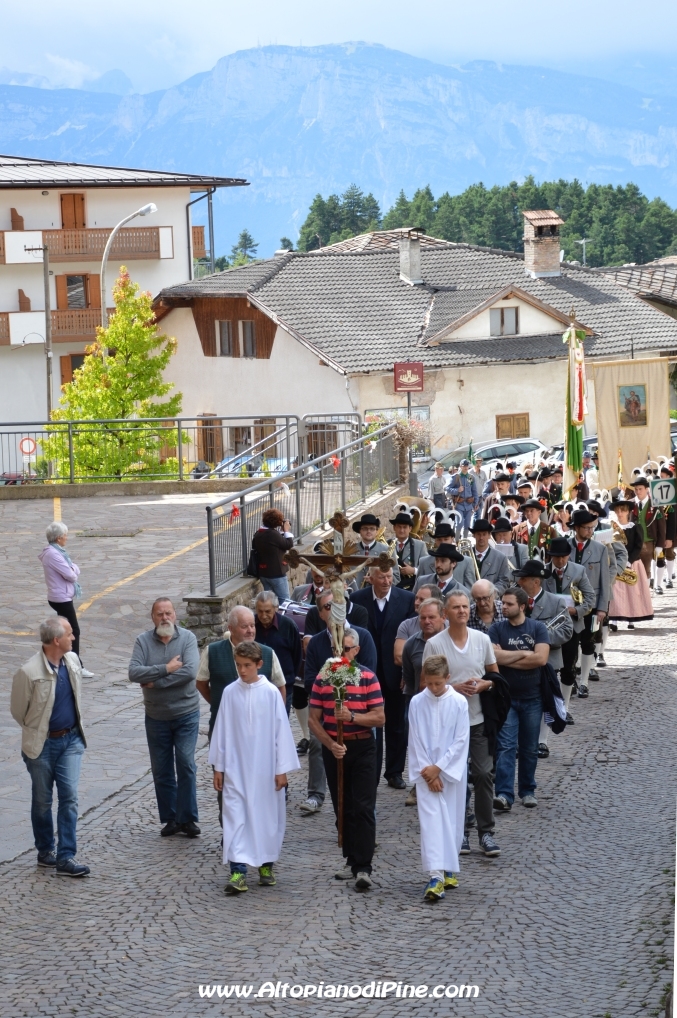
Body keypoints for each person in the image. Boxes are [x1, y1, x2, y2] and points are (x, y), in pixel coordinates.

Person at [209, 641, 299, 894]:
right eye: (238, 665)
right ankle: (238, 871)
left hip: (265, 769)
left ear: (259, 665)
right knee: (234, 817)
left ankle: (265, 865)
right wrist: (219, 766)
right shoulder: (229, 692)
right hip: (236, 768)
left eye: (247, 666)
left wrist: (281, 769)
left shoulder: (270, 693)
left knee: (265, 818)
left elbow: (281, 732)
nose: (242, 670)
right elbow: (222, 730)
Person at [424, 591, 501, 856]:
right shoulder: (435, 644)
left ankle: (486, 831)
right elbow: (427, 683)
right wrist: (453, 687)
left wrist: (485, 684)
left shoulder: (482, 639)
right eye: (456, 607)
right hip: (447, 722)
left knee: (482, 773)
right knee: (455, 778)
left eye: (466, 607)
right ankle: (460, 833)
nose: (462, 611)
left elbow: (495, 676)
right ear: (445, 613)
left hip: (478, 718)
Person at [10, 616, 89, 876]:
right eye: (69, 634)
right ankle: (45, 851)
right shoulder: (28, 672)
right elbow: (18, 711)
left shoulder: (73, 661)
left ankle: (66, 858)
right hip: (41, 745)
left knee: (69, 797)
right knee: (43, 801)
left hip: (71, 741)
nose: (73, 638)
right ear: (56, 640)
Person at [309, 629, 385, 891]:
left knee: (363, 806)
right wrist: (330, 744)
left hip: (363, 746)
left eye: (346, 650)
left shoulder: (367, 677)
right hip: (336, 750)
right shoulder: (323, 678)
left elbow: (379, 717)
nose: (340, 655)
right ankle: (351, 859)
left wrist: (353, 717)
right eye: (336, 650)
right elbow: (313, 719)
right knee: (343, 806)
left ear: (356, 651)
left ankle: (364, 866)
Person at [196, 606, 287, 808]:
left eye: (252, 625)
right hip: (226, 733)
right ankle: (229, 834)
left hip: (260, 737)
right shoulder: (213, 651)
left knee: (260, 789)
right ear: (231, 627)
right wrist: (222, 706)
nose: (250, 630)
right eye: (244, 626)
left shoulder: (268, 654)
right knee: (228, 790)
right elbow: (201, 683)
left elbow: (280, 687)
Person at [299, 589, 376, 815]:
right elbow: (311, 678)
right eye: (327, 607)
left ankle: (366, 802)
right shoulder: (316, 643)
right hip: (325, 706)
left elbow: (369, 672)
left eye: (337, 606)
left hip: (359, 709)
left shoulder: (361, 636)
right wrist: (332, 690)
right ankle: (316, 793)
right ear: (321, 614)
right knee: (317, 741)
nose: (333, 612)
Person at [128, 597, 201, 838]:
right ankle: (171, 819)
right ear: (152, 617)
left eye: (168, 613)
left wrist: (154, 682)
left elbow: (190, 672)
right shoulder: (143, 641)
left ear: (175, 615)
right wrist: (167, 669)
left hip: (185, 713)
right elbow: (134, 672)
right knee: (161, 770)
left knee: (185, 762)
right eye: (159, 614)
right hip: (156, 716)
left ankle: (188, 818)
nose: (164, 618)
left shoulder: (188, 639)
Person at [408, 655, 470, 901]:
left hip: (450, 773)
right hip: (426, 774)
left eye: (437, 683)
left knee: (453, 820)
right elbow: (415, 739)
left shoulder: (459, 702)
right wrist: (428, 771)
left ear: (447, 678)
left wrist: (441, 767)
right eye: (428, 683)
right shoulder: (416, 702)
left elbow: (461, 740)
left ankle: (450, 867)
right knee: (431, 822)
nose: (433, 689)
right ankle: (435, 876)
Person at [351, 564, 416, 788]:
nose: (387, 581)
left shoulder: (407, 599)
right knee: (372, 724)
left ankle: (395, 772)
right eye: (382, 577)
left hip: (395, 672)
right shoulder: (357, 598)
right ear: (370, 577)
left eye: (389, 576)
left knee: (398, 723)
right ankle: (373, 771)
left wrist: (407, 672)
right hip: (369, 672)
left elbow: (410, 640)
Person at [489, 587, 550, 810]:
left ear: (522, 607)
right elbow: (493, 657)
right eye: (502, 603)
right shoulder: (496, 629)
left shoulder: (537, 628)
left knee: (529, 747)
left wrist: (508, 658)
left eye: (508, 604)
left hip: (533, 698)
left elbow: (541, 659)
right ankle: (504, 794)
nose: (503, 607)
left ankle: (527, 790)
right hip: (505, 698)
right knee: (505, 746)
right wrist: (526, 653)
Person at [513, 560, 573, 758]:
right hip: (519, 660)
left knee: (544, 700)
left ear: (535, 581)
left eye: (523, 579)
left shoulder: (555, 602)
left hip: (546, 661)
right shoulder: (514, 600)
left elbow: (566, 630)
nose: (519, 582)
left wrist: (541, 640)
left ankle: (542, 741)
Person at [38, 522, 93, 677]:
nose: (66, 538)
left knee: (64, 631)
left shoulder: (56, 552)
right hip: (60, 598)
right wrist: (74, 568)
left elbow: (70, 570)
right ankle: (76, 667)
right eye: (65, 535)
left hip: (60, 595)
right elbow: (71, 574)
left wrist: (72, 568)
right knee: (73, 631)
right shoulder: (54, 554)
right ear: (59, 538)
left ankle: (63, 661)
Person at [567, 510, 611, 698]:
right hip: (569, 604)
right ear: (576, 528)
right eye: (586, 528)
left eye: (592, 528)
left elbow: (605, 580)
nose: (590, 531)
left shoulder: (600, 549)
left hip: (592, 605)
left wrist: (602, 608)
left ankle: (584, 681)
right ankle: (571, 680)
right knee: (570, 643)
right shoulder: (565, 546)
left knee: (588, 642)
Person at [254, 590, 302, 715]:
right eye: (260, 611)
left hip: (283, 686)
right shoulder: (251, 625)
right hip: (255, 688)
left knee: (280, 726)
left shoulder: (288, 626)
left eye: (268, 611)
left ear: (276, 608)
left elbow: (297, 656)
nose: (263, 615)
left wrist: (289, 678)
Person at [608, 497, 653, 629]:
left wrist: (629, 560)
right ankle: (614, 620)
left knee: (632, 591)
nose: (620, 513)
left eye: (623, 510)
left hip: (632, 563)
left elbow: (638, 546)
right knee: (616, 591)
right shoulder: (612, 528)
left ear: (628, 512)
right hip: (616, 563)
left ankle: (631, 618)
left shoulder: (635, 527)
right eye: (618, 511)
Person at [394, 584, 444, 665]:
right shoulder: (406, 625)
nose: (416, 602)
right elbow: (398, 657)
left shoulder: (450, 626)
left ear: (434, 601)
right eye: (416, 598)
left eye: (422, 599)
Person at [631, 476, 666, 592]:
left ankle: (645, 595)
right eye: (636, 489)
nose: (637, 492)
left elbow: (661, 526)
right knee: (634, 570)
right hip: (635, 543)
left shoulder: (655, 504)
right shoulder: (631, 505)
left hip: (649, 542)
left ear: (647, 489)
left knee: (646, 569)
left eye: (640, 489)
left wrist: (660, 545)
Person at [251, 509, 294, 601]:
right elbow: (288, 545)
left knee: (270, 602)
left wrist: (282, 533)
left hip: (264, 573)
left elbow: (277, 544)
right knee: (285, 601)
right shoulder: (273, 534)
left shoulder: (258, 533)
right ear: (277, 522)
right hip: (277, 573)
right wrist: (286, 531)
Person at [417, 524, 476, 589]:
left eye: (446, 539)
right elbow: (418, 588)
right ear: (435, 540)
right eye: (439, 539)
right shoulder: (424, 562)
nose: (443, 543)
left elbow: (470, 590)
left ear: (452, 539)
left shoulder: (466, 562)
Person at [350, 513, 400, 586]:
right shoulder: (350, 550)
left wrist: (377, 581)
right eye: (365, 528)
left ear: (377, 531)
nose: (368, 531)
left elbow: (396, 578)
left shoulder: (387, 550)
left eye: (372, 528)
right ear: (360, 531)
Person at [468, 519, 513, 595]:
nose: (481, 537)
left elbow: (504, 581)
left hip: (491, 599)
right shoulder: (465, 555)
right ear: (474, 535)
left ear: (489, 535)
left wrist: (490, 594)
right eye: (478, 534)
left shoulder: (501, 557)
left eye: (484, 534)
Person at [390, 511, 428, 591]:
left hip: (412, 589)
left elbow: (427, 569)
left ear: (410, 528)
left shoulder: (420, 545)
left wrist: (413, 570)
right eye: (399, 527)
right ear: (394, 528)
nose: (402, 530)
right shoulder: (386, 544)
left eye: (404, 527)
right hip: (391, 588)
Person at [446, 459, 480, 536]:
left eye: (467, 465)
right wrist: (457, 490)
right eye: (464, 466)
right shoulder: (456, 477)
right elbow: (447, 488)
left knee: (467, 525)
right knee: (459, 524)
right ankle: (457, 540)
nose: (465, 467)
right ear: (460, 467)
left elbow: (474, 491)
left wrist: (476, 503)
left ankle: (464, 542)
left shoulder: (471, 477)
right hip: (459, 504)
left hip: (468, 505)